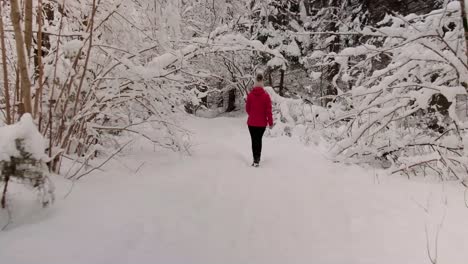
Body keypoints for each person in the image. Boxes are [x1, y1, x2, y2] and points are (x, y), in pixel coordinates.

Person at [245, 73, 273, 167]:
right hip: (262, 124)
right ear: (262, 83)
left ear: (255, 83)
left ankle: (255, 159)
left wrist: (253, 115)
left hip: (252, 123)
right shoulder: (266, 96)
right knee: (259, 140)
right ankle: (257, 158)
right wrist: (270, 122)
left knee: (254, 140)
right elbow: (268, 111)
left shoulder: (250, 95)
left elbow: (247, 109)